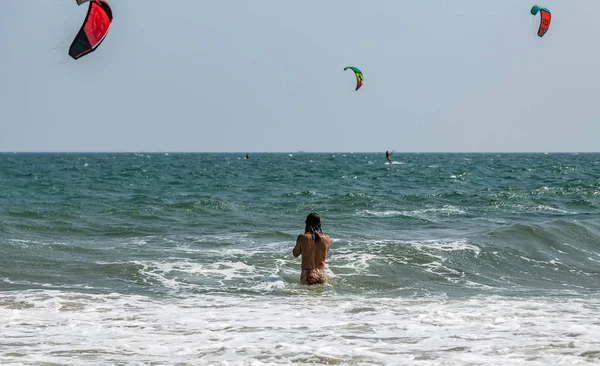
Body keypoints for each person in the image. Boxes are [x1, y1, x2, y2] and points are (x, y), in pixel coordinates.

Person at [292, 212, 330, 285]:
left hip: (308, 274)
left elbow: (295, 254)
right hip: (321, 273)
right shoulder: (327, 238)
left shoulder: (303, 237)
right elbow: (324, 254)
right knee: (322, 295)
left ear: (307, 223)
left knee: (306, 295)